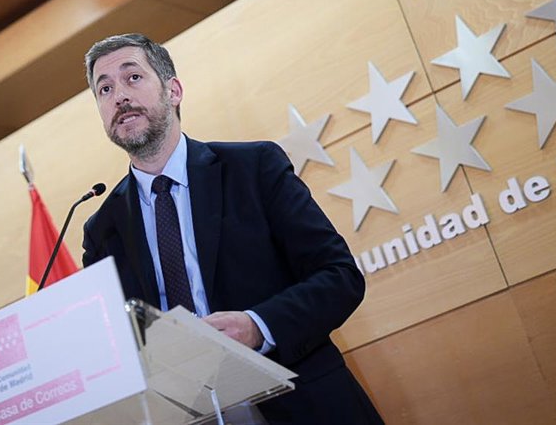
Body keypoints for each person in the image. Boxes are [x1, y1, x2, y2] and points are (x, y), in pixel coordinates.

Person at [81, 33, 383, 425]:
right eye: (105, 89)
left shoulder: (254, 167)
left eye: (133, 77)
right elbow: (116, 348)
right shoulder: (101, 229)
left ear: (173, 91)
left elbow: (339, 277)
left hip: (300, 403)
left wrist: (258, 326)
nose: (119, 96)